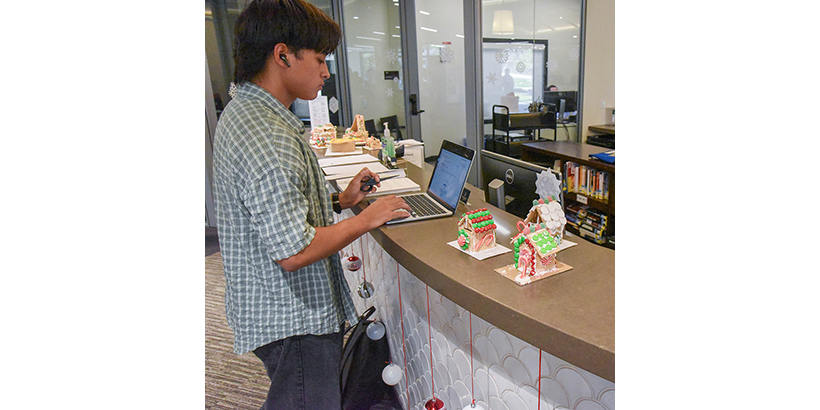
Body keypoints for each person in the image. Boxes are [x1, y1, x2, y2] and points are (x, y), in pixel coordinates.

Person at [211, 0, 411, 408]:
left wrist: (341, 201)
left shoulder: (250, 113)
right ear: (282, 55)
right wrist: (367, 218)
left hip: (275, 309)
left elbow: (271, 212)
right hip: (291, 317)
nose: (326, 72)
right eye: (319, 59)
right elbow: (293, 249)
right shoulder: (267, 134)